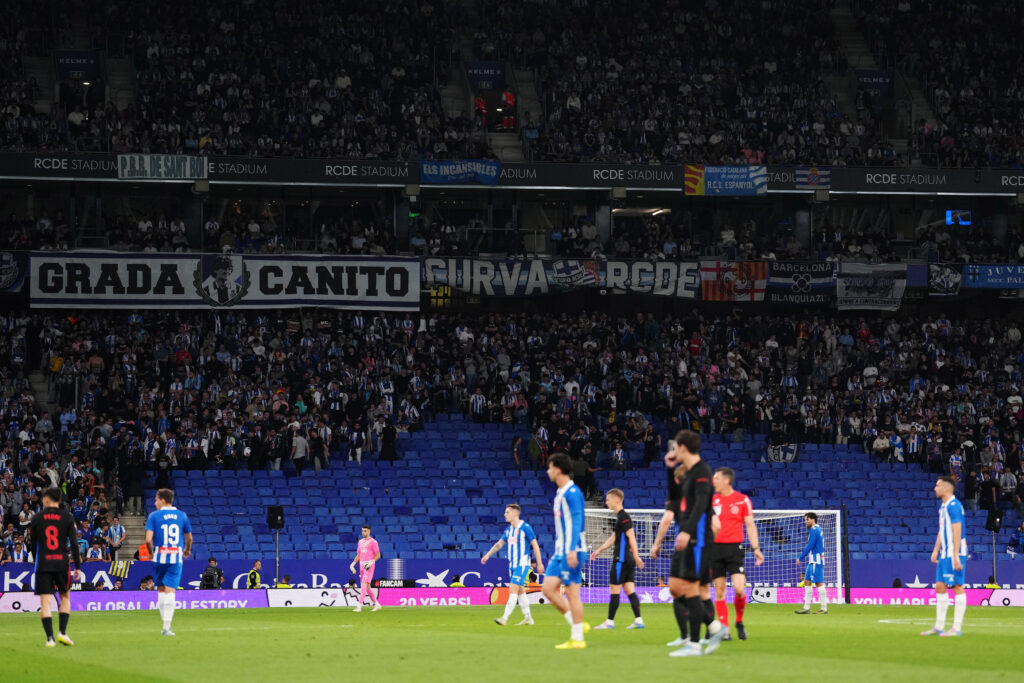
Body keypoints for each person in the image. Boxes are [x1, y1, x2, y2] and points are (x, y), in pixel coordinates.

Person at [664, 430, 726, 657]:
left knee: (692, 588)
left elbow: (702, 505)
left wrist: (687, 531)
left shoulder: (702, 472)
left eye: (675, 447)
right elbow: (674, 498)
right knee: (678, 588)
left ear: (682, 447)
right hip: (689, 538)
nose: (673, 451)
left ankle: (694, 643)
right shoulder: (689, 473)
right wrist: (670, 470)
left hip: (697, 539)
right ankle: (715, 628)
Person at [540, 452, 589, 650]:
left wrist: (571, 549)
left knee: (572, 593)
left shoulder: (573, 493)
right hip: (561, 550)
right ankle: (578, 624)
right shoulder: (560, 493)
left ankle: (577, 638)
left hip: (572, 549)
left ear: (558, 469)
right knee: (548, 589)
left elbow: (577, 521)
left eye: (550, 467)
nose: (547, 471)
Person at [710, 467, 764, 640]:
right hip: (715, 550)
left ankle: (739, 621)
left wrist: (756, 548)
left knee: (740, 590)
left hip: (734, 550)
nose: (714, 481)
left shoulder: (742, 500)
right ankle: (724, 629)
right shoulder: (711, 500)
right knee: (720, 591)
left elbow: (750, 525)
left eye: (717, 478)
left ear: (726, 480)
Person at [27, 487, 83, 647]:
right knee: (65, 597)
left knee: (45, 602)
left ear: (46, 499)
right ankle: (62, 633)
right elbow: (73, 543)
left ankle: (50, 638)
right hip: (61, 562)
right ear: (59, 500)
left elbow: (32, 544)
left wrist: (36, 557)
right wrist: (77, 566)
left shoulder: (37, 517)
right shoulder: (67, 517)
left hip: (43, 563)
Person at [590, 488, 645, 630]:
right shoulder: (620, 518)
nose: (606, 502)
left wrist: (637, 555)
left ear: (616, 500)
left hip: (621, 559)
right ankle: (638, 620)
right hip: (627, 559)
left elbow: (631, 536)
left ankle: (610, 622)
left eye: (608, 499)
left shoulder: (624, 516)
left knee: (614, 590)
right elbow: (614, 537)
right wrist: (600, 550)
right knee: (630, 590)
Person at [481, 502, 543, 626]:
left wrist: (539, 563)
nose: (505, 514)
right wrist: (488, 554)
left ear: (515, 513)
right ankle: (528, 618)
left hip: (522, 564)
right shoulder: (509, 530)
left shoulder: (525, 527)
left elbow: (535, 544)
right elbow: (500, 544)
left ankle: (504, 618)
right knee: (520, 591)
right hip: (512, 565)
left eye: (507, 512)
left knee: (513, 589)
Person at [921, 476, 968, 637]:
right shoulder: (943, 507)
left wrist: (955, 555)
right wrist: (936, 550)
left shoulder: (954, 506)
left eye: (938, 485)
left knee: (956, 586)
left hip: (955, 552)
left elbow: (957, 530)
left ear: (946, 488)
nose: (935, 488)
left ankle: (956, 628)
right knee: (940, 587)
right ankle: (939, 626)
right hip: (945, 553)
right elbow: (943, 530)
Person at [145, 488, 192, 636]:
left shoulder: (154, 516)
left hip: (159, 557)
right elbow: (189, 538)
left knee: (161, 590)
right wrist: (187, 549)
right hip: (175, 557)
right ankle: (167, 627)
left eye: (156, 499)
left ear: (163, 500)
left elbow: (147, 540)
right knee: (170, 590)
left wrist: (152, 552)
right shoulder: (182, 515)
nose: (155, 502)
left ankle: (164, 625)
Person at [794, 512, 828, 614]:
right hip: (812, 561)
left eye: (807, 519)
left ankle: (824, 608)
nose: (805, 522)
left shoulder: (815, 530)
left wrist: (800, 557)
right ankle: (806, 608)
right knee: (807, 582)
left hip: (816, 560)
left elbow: (810, 546)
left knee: (819, 583)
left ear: (812, 519)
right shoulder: (816, 529)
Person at [349, 525, 381, 612]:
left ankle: (359, 606)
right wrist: (353, 564)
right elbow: (359, 555)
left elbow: (378, 555)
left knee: (363, 586)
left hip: (369, 566)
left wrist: (371, 562)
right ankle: (377, 604)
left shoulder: (373, 542)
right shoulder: (360, 542)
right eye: (362, 531)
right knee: (367, 587)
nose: (363, 532)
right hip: (361, 566)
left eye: (365, 531)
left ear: (369, 531)